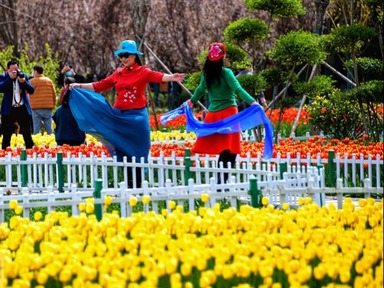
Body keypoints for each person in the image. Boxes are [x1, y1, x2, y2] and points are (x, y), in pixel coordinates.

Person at [69, 39, 185, 188]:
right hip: (120, 117)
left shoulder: (144, 71)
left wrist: (171, 77)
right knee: (123, 151)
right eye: (121, 55)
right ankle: (130, 187)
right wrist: (78, 85)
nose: (123, 58)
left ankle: (137, 186)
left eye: (126, 55)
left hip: (137, 119)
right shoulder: (118, 73)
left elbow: (157, 76)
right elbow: (99, 85)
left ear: (135, 55)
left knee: (138, 151)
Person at [188, 42, 262, 184]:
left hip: (213, 115)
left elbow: (199, 90)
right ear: (224, 56)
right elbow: (238, 90)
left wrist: (191, 102)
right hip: (229, 114)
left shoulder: (206, 74)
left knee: (223, 149)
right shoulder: (227, 73)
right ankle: (223, 183)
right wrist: (253, 102)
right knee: (231, 149)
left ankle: (220, 182)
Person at [0, 59, 35, 149]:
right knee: (7, 134)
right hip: (9, 109)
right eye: (12, 70)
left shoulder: (23, 76)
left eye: (16, 69)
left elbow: (31, 90)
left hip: (22, 108)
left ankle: (30, 153)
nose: (14, 72)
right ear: (7, 70)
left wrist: (24, 82)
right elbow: (1, 88)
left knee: (27, 133)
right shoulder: (3, 76)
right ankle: (5, 155)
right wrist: (9, 78)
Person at [52, 77, 86, 146]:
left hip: (61, 140)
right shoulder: (79, 110)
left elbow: (54, 124)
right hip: (77, 140)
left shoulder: (59, 110)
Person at [29, 64, 57, 134]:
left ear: (35, 71)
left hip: (36, 108)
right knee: (49, 128)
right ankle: (52, 142)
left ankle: (36, 143)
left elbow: (27, 92)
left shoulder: (32, 81)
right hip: (47, 107)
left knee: (36, 128)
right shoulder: (49, 81)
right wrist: (53, 105)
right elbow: (54, 94)